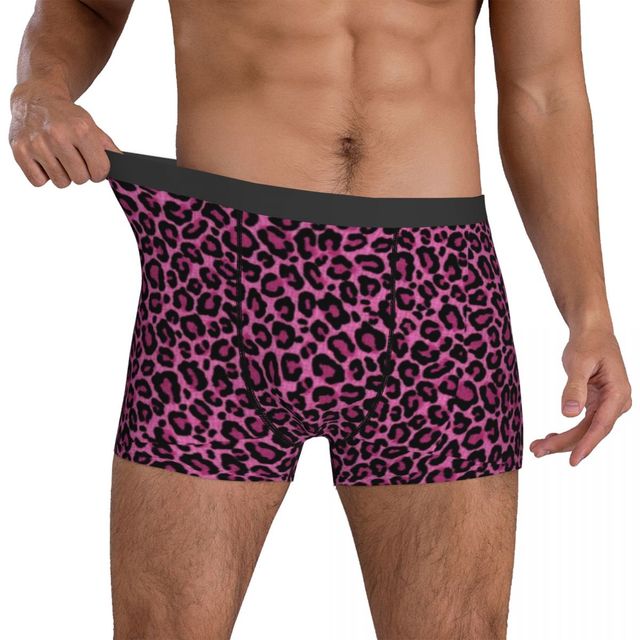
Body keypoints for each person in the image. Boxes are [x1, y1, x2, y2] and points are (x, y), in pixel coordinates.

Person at [8, 1, 632, 638]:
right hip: (216, 287)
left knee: (459, 629)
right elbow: (85, 6)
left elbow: (544, 90)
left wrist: (590, 313)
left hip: (439, 294)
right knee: (161, 630)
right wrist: (39, 89)